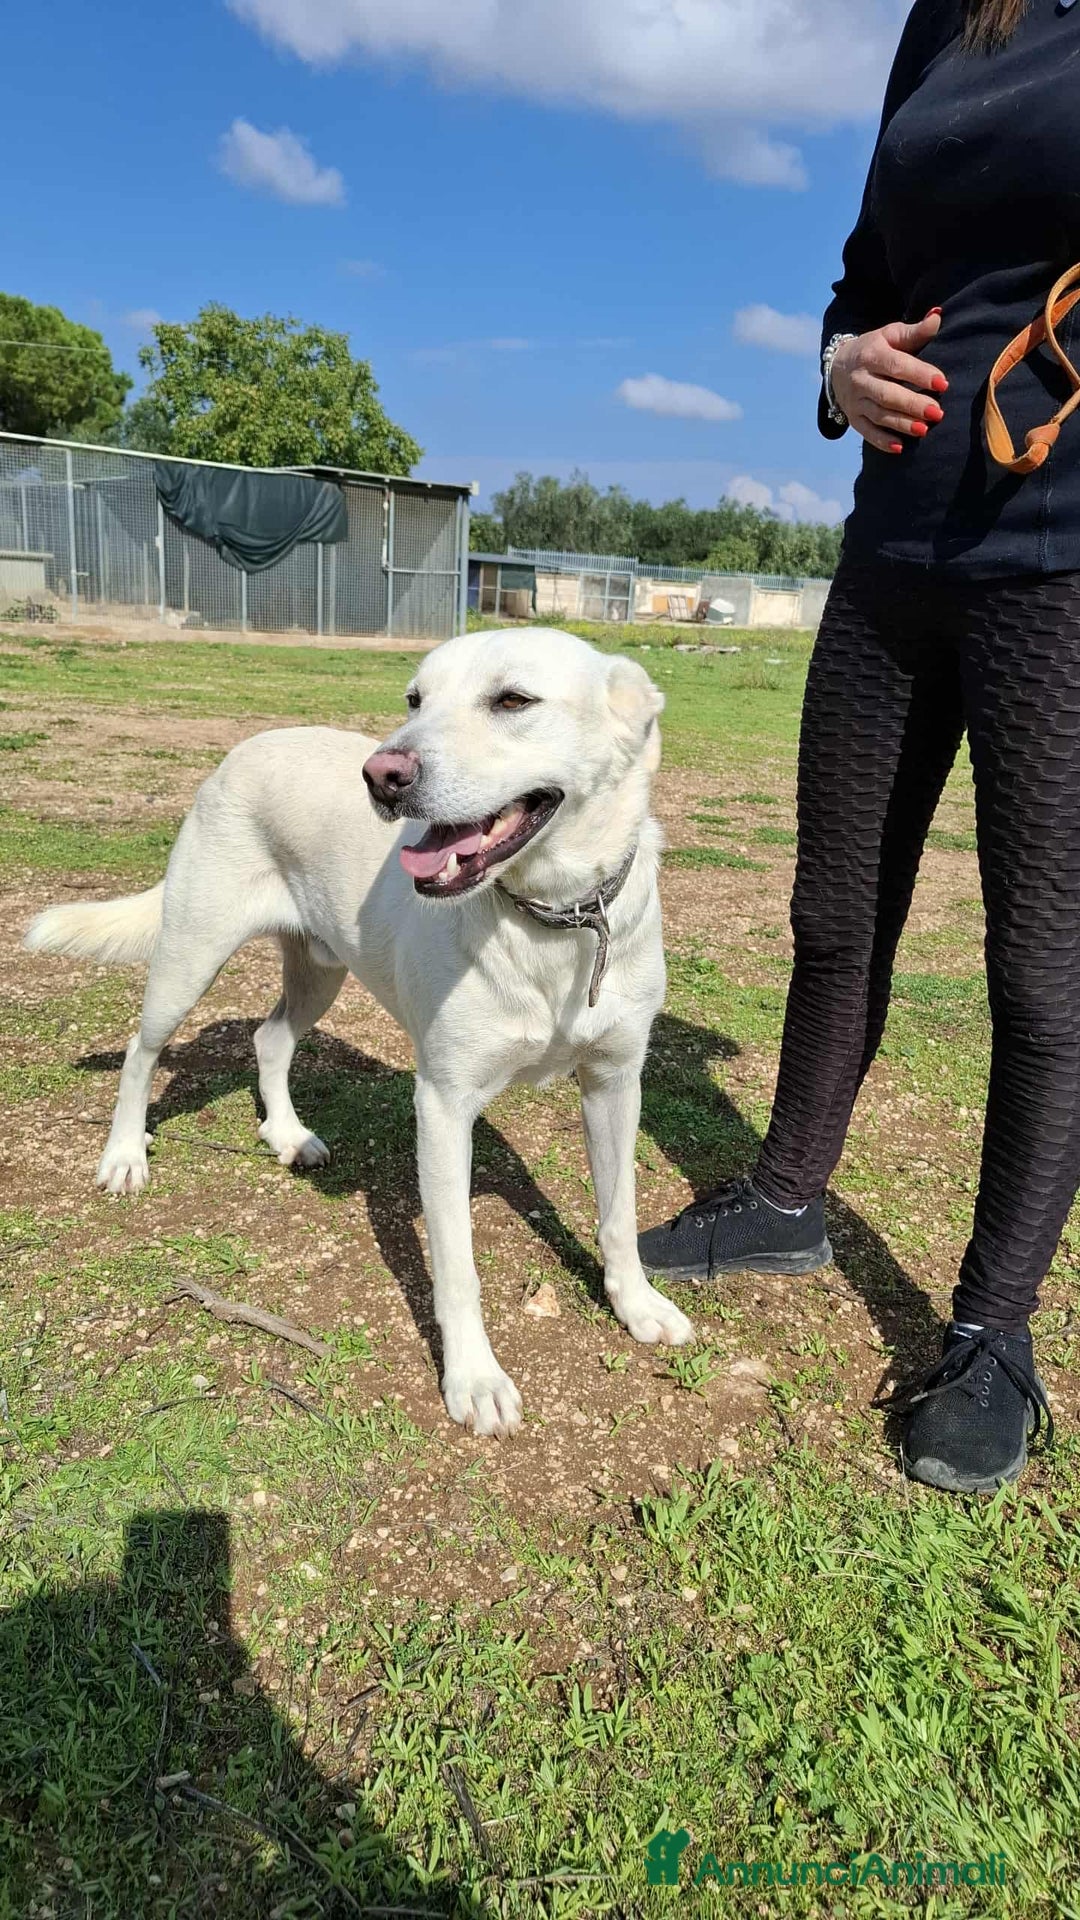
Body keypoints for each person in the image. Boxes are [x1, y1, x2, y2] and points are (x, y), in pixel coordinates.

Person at [639, 0, 1079, 1494]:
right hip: (895, 543)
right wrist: (837, 367)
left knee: (1044, 966)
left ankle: (993, 1332)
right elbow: (867, 272)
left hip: (1065, 565)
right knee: (835, 914)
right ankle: (783, 1200)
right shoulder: (952, 17)